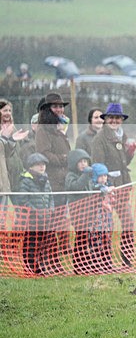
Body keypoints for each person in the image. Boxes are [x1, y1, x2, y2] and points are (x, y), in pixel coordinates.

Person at [91, 102, 136, 268]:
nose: (114, 120)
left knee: (128, 224)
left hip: (123, 187)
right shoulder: (99, 139)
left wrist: (130, 153)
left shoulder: (122, 136)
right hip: (108, 189)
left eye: (118, 118)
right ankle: (105, 261)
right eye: (111, 117)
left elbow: (123, 162)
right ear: (106, 119)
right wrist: (106, 187)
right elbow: (97, 166)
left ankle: (127, 260)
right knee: (106, 226)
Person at [35, 93, 72, 254]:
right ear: (48, 109)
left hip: (63, 180)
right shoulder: (43, 129)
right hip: (52, 180)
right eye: (56, 106)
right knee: (52, 219)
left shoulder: (59, 128)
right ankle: (49, 252)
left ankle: (59, 249)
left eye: (61, 106)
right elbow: (43, 154)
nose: (60, 109)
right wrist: (64, 159)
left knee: (61, 216)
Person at [16, 153, 63, 276]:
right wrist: (35, 211)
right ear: (31, 167)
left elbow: (50, 197)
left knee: (45, 244)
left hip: (45, 220)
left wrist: (51, 209)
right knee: (31, 245)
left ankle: (43, 266)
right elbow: (23, 200)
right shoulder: (25, 181)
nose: (42, 167)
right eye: (38, 165)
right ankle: (30, 268)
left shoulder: (46, 181)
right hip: (32, 221)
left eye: (43, 164)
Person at [64, 148, 96, 273]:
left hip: (88, 213)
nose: (84, 164)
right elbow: (76, 187)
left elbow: (90, 190)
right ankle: (78, 265)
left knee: (87, 238)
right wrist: (85, 175)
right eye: (81, 162)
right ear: (74, 163)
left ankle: (86, 263)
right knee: (81, 238)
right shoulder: (70, 176)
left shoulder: (87, 177)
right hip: (78, 214)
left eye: (86, 161)